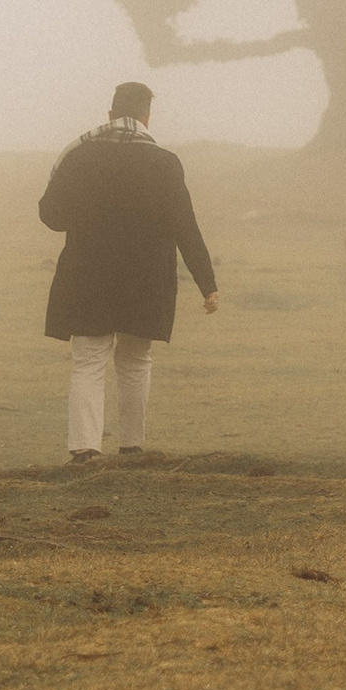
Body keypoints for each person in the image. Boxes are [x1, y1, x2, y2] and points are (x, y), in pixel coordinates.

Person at [39, 81, 217, 464]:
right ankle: (132, 447)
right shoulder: (164, 162)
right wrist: (208, 284)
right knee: (136, 359)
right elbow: (185, 225)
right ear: (146, 116)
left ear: (110, 114)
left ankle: (84, 450)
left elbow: (50, 215)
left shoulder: (79, 156)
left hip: (89, 273)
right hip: (146, 276)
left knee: (89, 360)